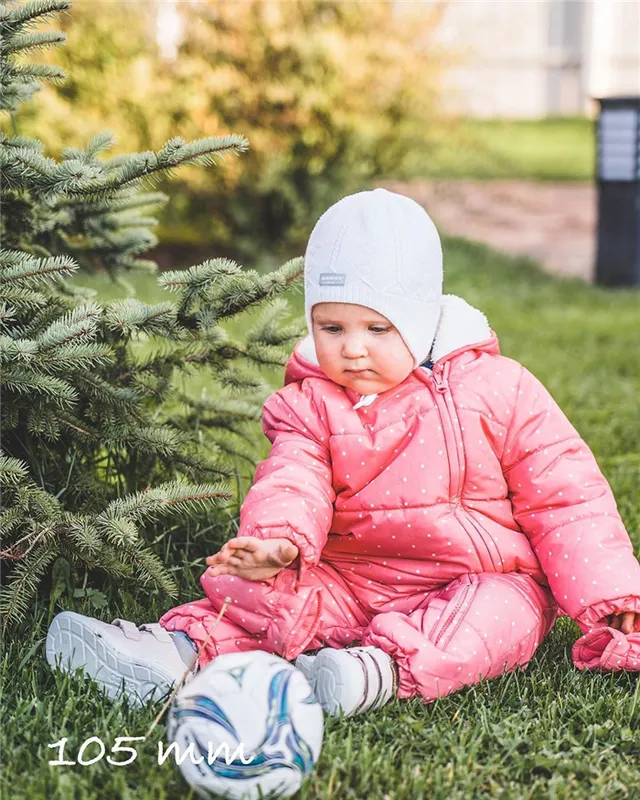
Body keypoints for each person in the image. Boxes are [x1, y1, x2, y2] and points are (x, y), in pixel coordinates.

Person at [46, 188, 640, 714]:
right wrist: (280, 542)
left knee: (503, 615)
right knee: (270, 595)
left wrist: (611, 599)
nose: (352, 350)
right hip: (352, 578)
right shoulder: (310, 403)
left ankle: (374, 672)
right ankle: (174, 651)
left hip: (473, 578)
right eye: (332, 328)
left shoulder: (500, 389)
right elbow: (292, 479)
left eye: (377, 329)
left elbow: (568, 500)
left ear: (420, 316)